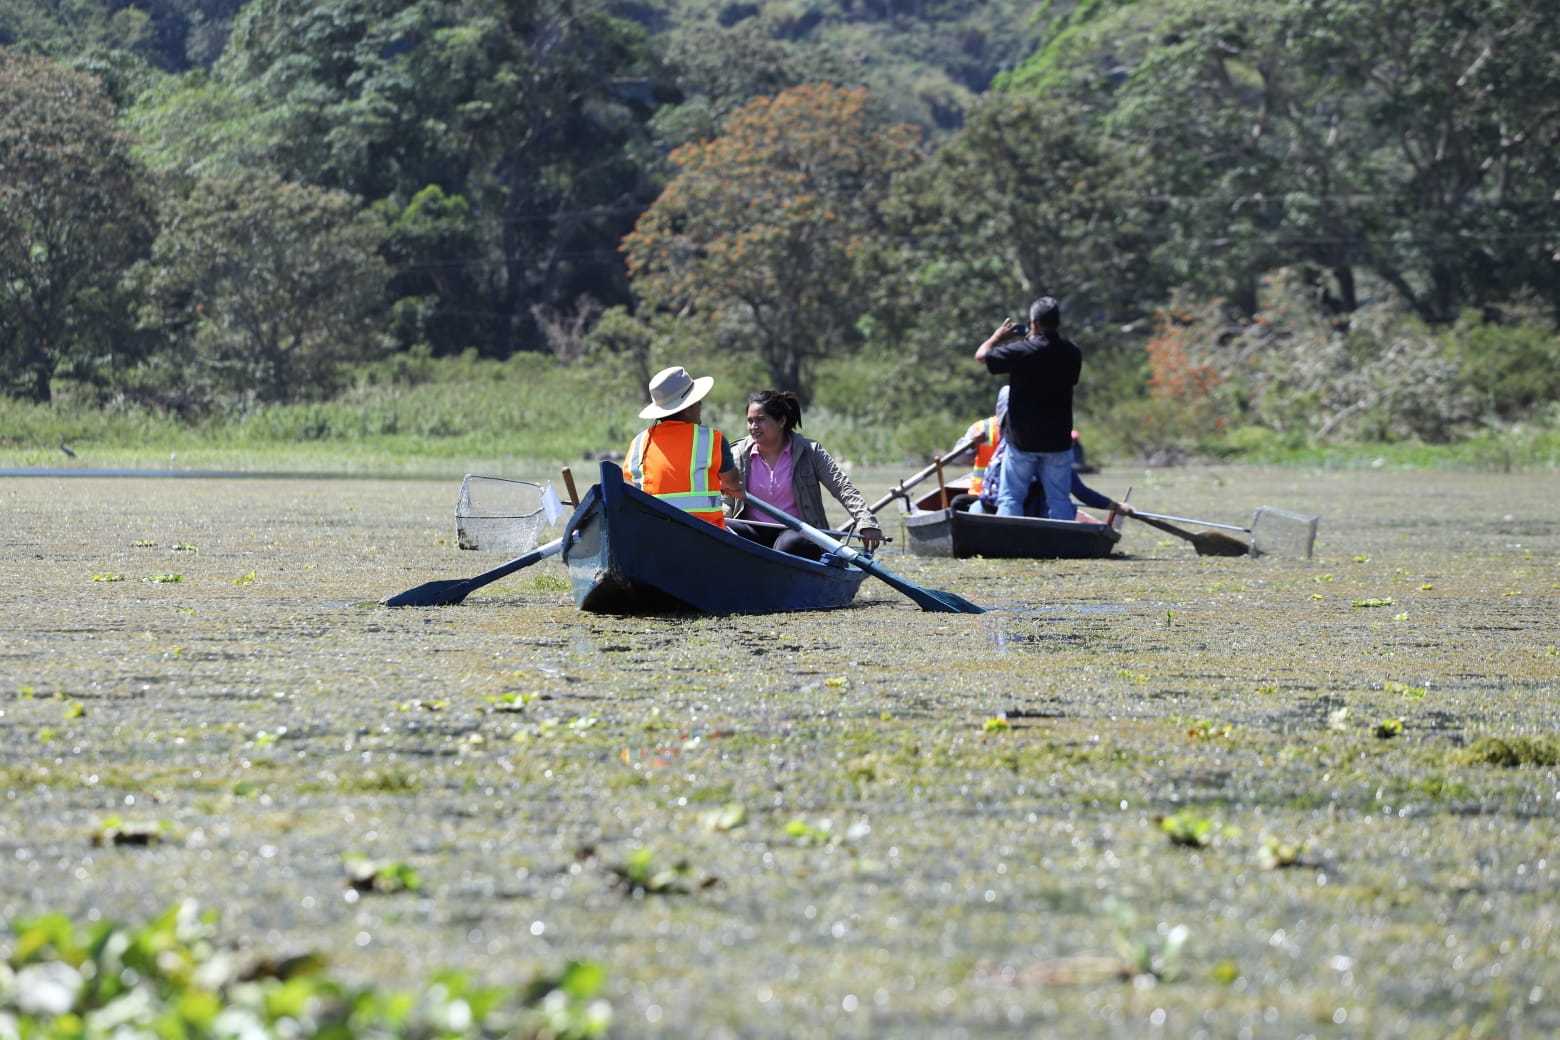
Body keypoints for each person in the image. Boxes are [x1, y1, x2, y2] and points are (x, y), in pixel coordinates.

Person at [726, 389, 883, 558]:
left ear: (781, 421)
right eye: (750, 421)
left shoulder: (810, 452)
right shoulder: (737, 453)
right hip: (752, 531)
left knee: (788, 544)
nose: (753, 427)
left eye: (760, 420)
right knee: (725, 527)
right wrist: (722, 514)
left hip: (797, 533)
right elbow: (724, 497)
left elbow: (843, 488)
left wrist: (866, 521)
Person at [974, 296, 1081, 520]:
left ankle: (1007, 541)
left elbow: (981, 356)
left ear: (1034, 323)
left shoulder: (1021, 351)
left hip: (1023, 441)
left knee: (1011, 497)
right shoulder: (1072, 353)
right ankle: (1063, 544)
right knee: (1059, 500)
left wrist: (998, 337)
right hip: (1058, 441)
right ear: (1057, 322)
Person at [624, 365, 743, 528]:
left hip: (652, 531)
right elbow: (732, 482)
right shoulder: (712, 439)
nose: (700, 407)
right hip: (706, 534)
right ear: (688, 408)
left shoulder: (638, 443)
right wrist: (733, 487)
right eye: (698, 402)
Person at [957, 385, 1008, 498]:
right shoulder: (982, 428)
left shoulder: (1027, 430)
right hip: (981, 494)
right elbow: (959, 458)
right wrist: (972, 444)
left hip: (1015, 498)